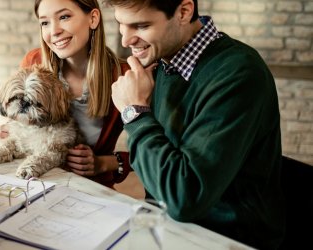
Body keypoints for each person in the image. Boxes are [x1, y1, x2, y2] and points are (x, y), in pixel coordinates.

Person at [106, 0, 285, 248]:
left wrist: (134, 114)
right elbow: (158, 178)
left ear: (184, 12)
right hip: (166, 227)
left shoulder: (239, 73)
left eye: (141, 26)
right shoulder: (162, 63)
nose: (126, 40)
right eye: (120, 25)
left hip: (226, 239)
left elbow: (183, 199)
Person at [1, 0, 132, 188]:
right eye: (45, 22)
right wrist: (14, 129)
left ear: (93, 18)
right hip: (36, 183)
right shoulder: (34, 61)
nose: (54, 31)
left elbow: (154, 151)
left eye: (64, 17)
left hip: (89, 189)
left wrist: (102, 163)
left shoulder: (123, 76)